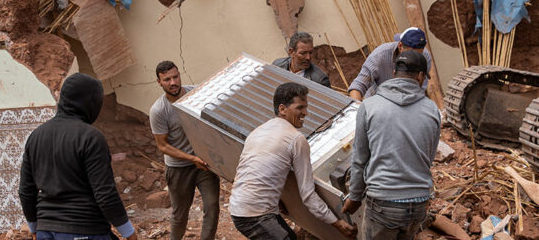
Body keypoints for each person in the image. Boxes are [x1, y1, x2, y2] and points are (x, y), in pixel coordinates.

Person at [19, 73, 138, 240]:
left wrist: (34, 227)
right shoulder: (90, 137)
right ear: (89, 103)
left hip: (46, 230)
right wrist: (129, 233)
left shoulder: (36, 136)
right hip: (85, 228)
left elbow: (26, 190)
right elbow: (105, 193)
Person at [230, 82, 356, 240]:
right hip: (255, 215)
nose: (305, 113)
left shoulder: (258, 131)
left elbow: (260, 170)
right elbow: (308, 195)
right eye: (300, 108)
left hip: (239, 207)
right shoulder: (296, 139)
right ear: (282, 109)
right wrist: (338, 223)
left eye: (306, 107)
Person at [342, 50, 442, 240]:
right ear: (420, 77)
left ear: (394, 73)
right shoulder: (432, 110)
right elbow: (427, 158)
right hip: (419, 203)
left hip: (383, 202)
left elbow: (360, 159)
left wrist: (354, 196)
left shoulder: (370, 106)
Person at [149, 61, 220, 240]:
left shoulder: (197, 93)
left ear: (179, 75)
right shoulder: (159, 110)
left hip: (204, 164)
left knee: (212, 206)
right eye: (167, 80)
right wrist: (191, 158)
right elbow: (162, 146)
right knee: (180, 214)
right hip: (178, 168)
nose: (173, 82)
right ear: (159, 82)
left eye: (175, 77)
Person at [347, 27, 433, 100]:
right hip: (377, 101)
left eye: (418, 54)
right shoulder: (379, 55)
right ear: (400, 46)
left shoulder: (425, 57)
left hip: (407, 100)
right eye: (410, 54)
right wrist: (356, 111)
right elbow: (358, 85)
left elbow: (419, 88)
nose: (414, 59)